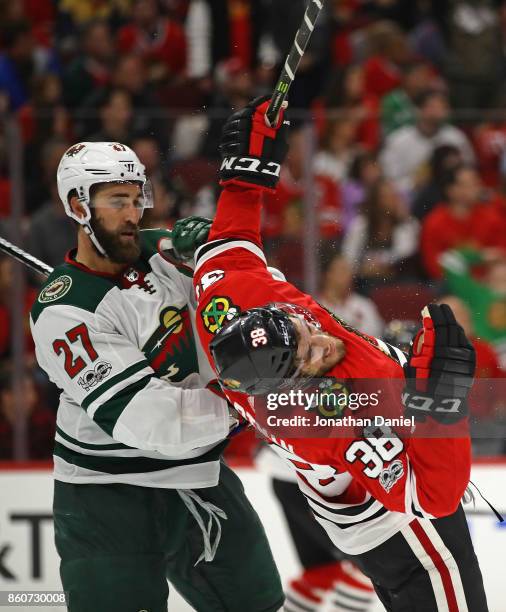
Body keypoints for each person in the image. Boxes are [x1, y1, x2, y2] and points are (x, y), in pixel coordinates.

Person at [188, 97, 488, 610]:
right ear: (295, 387)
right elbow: (428, 499)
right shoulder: (338, 413)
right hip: (398, 528)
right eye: (309, 359)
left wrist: (246, 174)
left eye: (301, 328)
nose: (320, 338)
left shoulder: (229, 303)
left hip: (350, 511)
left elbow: (228, 242)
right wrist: (441, 407)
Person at [29, 141, 284, 612]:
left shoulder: (163, 251)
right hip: (105, 495)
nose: (133, 213)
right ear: (77, 206)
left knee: (258, 603)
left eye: (136, 197)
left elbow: (260, 297)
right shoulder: (62, 313)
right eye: (117, 201)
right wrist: (244, 402)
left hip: (196, 474)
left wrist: (220, 257)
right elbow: (150, 423)